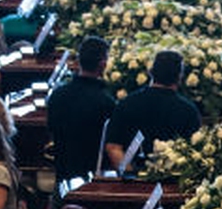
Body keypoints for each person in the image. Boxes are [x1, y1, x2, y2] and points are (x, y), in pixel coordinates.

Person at [105, 49, 200, 168]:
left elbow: (113, 147)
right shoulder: (188, 111)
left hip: (132, 181)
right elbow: (194, 154)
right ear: (179, 76)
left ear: (151, 72)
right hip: (173, 181)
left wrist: (130, 175)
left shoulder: (127, 103)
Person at [47, 36, 117, 182]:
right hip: (92, 181)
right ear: (103, 65)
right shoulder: (107, 103)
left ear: (78, 62)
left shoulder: (57, 95)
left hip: (62, 175)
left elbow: (52, 131)